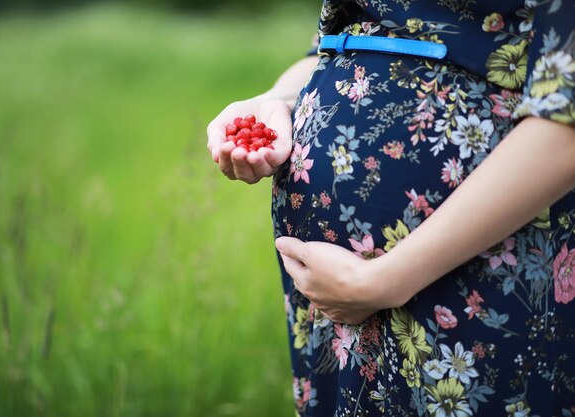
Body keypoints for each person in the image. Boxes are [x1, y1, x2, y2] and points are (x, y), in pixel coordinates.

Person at [207, 0, 575, 415]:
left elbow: (565, 119)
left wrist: (384, 281)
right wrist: (275, 99)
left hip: (479, 267)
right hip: (340, 300)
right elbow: (340, 41)